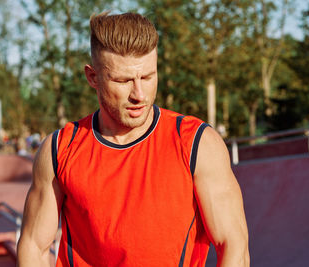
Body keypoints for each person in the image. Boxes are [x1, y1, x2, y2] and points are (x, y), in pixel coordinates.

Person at [17, 12, 249, 267]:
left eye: (148, 77)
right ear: (93, 77)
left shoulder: (197, 143)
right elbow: (34, 247)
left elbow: (233, 245)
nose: (139, 94)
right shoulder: (60, 149)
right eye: (123, 80)